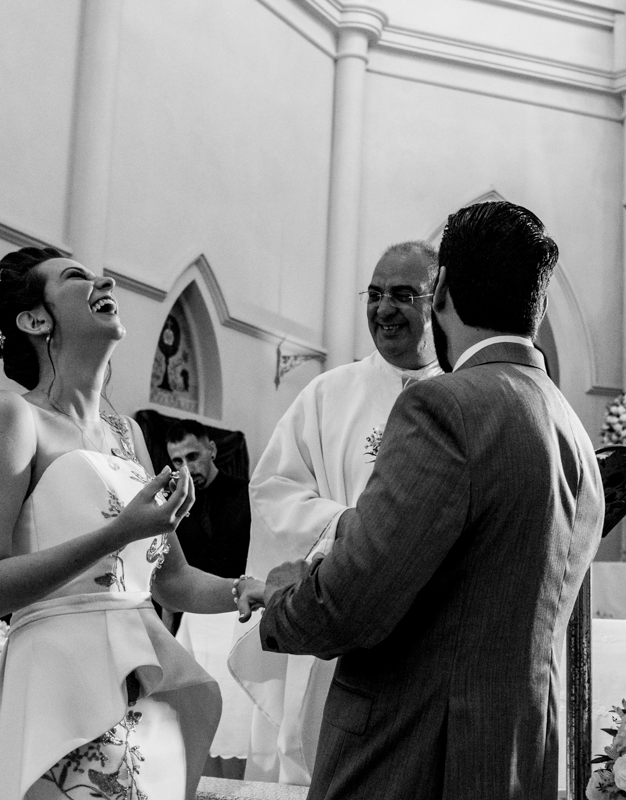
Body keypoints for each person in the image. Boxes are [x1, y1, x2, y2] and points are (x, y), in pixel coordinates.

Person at [239, 202, 604, 799]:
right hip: (516, 756)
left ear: (441, 298)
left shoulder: (445, 407)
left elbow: (352, 603)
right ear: (535, 305)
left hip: (417, 758)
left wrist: (281, 598)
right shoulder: (570, 429)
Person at [0, 246, 259, 799]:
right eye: (77, 277)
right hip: (60, 682)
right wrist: (119, 533)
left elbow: (174, 581)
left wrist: (252, 590)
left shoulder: (129, 437)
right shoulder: (10, 417)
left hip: (145, 680)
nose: (105, 279)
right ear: (36, 319)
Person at [230, 240, 442, 784]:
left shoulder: (459, 394)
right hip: (336, 620)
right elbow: (273, 489)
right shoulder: (328, 393)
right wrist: (345, 525)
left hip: (428, 634)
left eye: (401, 295)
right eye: (374, 295)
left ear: (436, 298)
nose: (383, 309)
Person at [164, 418, 253, 777]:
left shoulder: (247, 492)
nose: (187, 468)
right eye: (177, 462)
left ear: (212, 450)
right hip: (195, 624)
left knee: (237, 720)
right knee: (194, 722)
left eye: (193, 456)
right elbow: (168, 577)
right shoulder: (173, 506)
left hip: (241, 618)